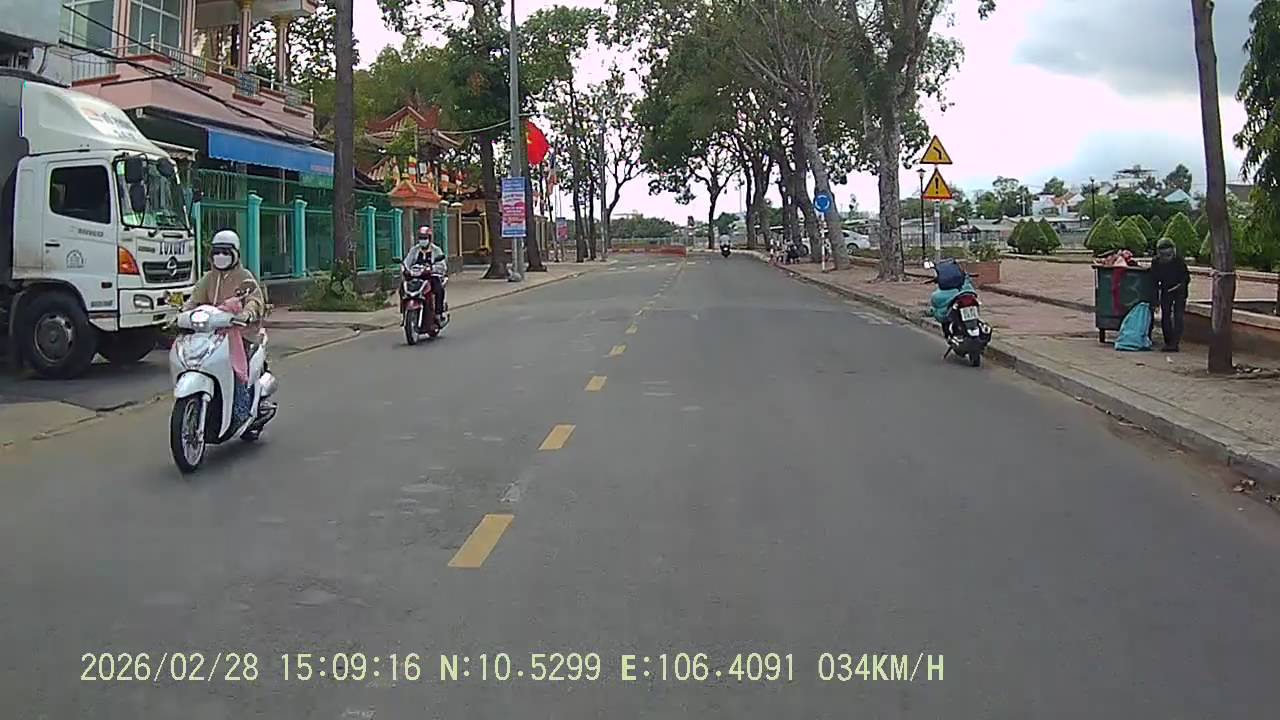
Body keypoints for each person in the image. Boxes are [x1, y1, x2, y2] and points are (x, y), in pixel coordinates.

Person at [185, 229, 268, 422]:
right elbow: (194, 300)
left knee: (236, 370)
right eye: (217, 252)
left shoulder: (244, 277)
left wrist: (247, 313)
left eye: (225, 252)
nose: (220, 256)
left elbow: (255, 300)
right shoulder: (208, 278)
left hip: (241, 334)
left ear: (235, 254)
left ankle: (242, 412)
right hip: (212, 333)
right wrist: (182, 313)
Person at [1150, 237, 1190, 352]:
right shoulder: (1156, 262)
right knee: (1166, 315)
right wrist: (1155, 300)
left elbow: (1186, 277)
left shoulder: (1178, 260)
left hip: (1179, 290)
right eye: (1164, 255)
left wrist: (1179, 286)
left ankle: (1174, 343)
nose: (1166, 257)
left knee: (1178, 316)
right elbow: (1154, 281)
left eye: (1169, 254)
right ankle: (1168, 342)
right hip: (1166, 290)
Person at [404, 226, 447, 321]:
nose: (422, 240)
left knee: (439, 289)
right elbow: (407, 262)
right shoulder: (414, 250)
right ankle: (404, 312)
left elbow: (442, 266)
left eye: (425, 238)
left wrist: (432, 269)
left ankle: (438, 313)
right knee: (403, 289)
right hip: (416, 276)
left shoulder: (436, 250)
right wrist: (406, 269)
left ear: (429, 238)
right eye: (421, 237)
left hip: (431, 276)